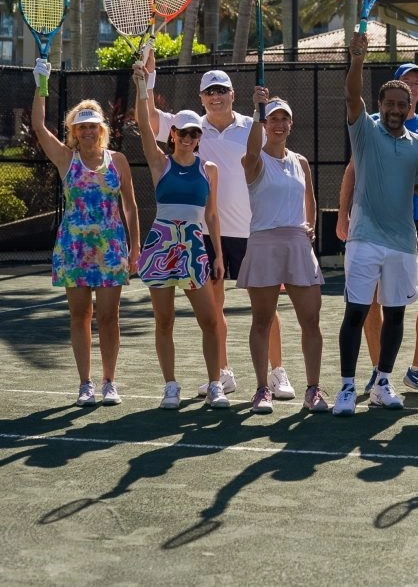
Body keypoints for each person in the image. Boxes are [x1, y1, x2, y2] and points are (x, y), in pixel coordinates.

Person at [144, 55, 292, 400]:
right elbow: (150, 119)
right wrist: (148, 80)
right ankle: (223, 373)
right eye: (209, 92)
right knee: (215, 308)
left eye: (221, 90)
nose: (216, 96)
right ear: (201, 98)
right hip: (208, 236)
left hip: (254, 230)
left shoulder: (253, 124)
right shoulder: (191, 129)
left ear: (232, 94)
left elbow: (276, 165)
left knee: (265, 308)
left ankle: (277, 372)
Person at [31, 60, 140, 407]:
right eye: (82, 127)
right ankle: (85, 384)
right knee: (81, 316)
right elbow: (37, 125)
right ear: (74, 132)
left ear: (101, 129)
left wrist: (135, 249)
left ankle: (109, 382)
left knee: (109, 317)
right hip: (73, 249)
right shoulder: (66, 159)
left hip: (111, 249)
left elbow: (131, 207)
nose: (88, 131)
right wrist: (42, 84)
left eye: (93, 125)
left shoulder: (118, 161)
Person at [333, 31, 418, 416]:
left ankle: (383, 383)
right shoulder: (365, 130)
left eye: (401, 104)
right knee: (356, 313)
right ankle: (345, 388)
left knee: (396, 315)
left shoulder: (416, 144)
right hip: (365, 239)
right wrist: (357, 59)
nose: (394, 109)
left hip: (403, 242)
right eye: (389, 102)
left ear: (409, 108)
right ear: (379, 105)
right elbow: (351, 95)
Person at [133, 65, 227, 409]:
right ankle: (170, 386)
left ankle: (215, 384)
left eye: (193, 133)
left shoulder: (209, 169)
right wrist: (142, 86)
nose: (187, 138)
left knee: (209, 319)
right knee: (164, 320)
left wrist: (217, 254)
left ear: (200, 136)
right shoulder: (160, 163)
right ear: (172, 134)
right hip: (161, 246)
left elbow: (212, 215)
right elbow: (144, 125)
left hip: (194, 247)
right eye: (182, 133)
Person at [237, 91, 328, 414]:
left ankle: (314, 390)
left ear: (291, 124)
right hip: (264, 244)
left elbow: (311, 200)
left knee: (311, 320)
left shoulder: (300, 161)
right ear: (264, 124)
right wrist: (254, 110)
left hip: (298, 246)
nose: (278, 124)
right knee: (262, 320)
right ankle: (262, 389)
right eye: (272, 118)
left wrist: (310, 227)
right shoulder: (254, 159)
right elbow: (250, 148)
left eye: (283, 118)